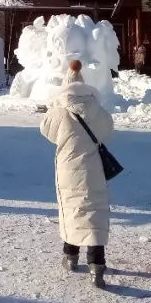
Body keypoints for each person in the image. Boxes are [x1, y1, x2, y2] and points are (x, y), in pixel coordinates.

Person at [40, 59, 115, 289]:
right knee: (94, 212)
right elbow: (108, 129)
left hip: (68, 169)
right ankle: (97, 264)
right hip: (94, 168)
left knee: (71, 210)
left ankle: (70, 256)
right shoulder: (97, 108)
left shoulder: (59, 111)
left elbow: (46, 130)